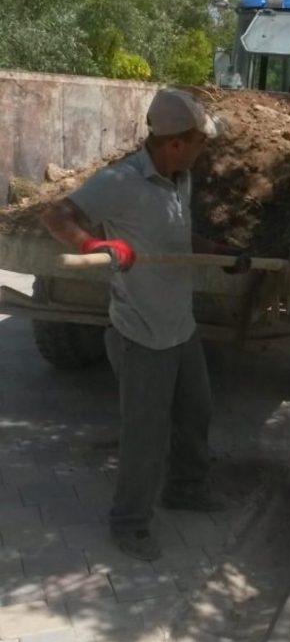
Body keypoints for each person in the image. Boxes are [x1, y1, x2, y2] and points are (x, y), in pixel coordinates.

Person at [41, 88, 231, 562]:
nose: (203, 150)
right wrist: (94, 245)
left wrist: (221, 254)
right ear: (173, 143)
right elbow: (56, 214)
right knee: (145, 436)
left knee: (196, 413)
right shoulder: (119, 181)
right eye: (198, 142)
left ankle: (185, 489)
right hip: (142, 332)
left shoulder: (179, 179)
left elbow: (177, 235)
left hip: (180, 326)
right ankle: (129, 523)